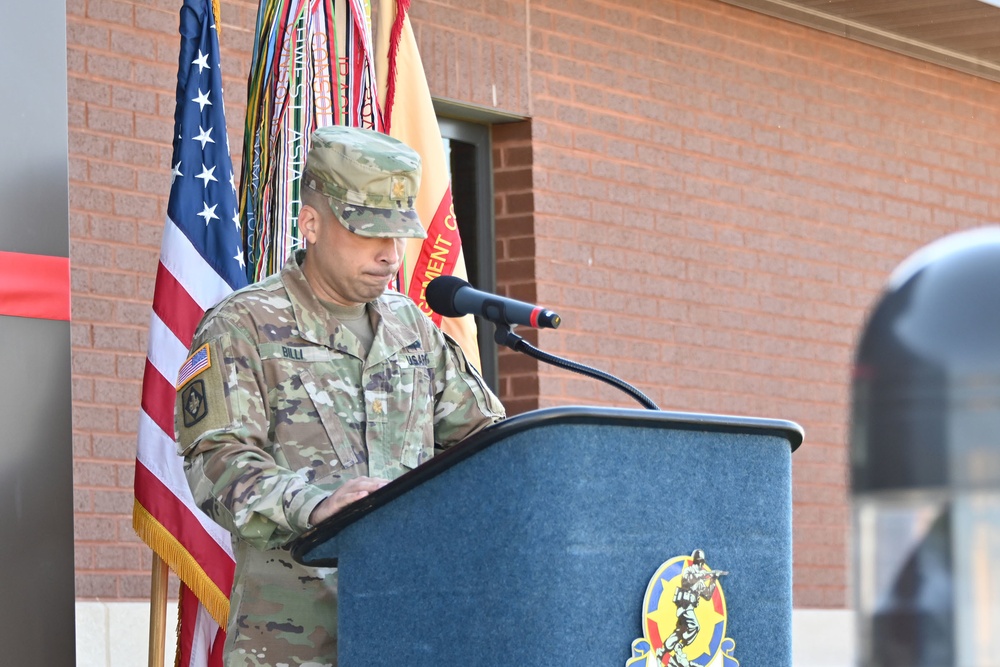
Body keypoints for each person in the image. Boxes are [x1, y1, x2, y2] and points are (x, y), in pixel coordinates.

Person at [175, 125, 505, 667]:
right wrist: (319, 506)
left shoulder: (412, 329)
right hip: (292, 642)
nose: (390, 253)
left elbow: (485, 447)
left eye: (398, 233)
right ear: (311, 224)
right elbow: (219, 463)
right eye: (369, 232)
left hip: (416, 633)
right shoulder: (242, 326)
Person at [657, 549, 728, 667]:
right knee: (694, 627)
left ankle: (663, 651)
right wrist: (705, 575)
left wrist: (713, 580)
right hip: (684, 605)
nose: (700, 565)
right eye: (699, 562)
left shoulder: (700, 578)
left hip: (689, 606)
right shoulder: (689, 571)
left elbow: (707, 595)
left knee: (680, 631)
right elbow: (687, 581)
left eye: (701, 562)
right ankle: (679, 647)